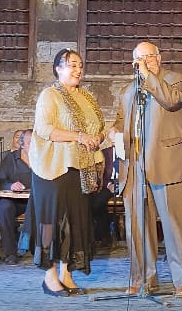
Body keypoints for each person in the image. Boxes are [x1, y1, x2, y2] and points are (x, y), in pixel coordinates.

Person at [110, 41, 182, 298]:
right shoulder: (127, 91)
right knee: (138, 226)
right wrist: (114, 131)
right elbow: (120, 120)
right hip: (135, 164)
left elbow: (171, 101)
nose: (145, 61)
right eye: (140, 58)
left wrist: (148, 76)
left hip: (169, 162)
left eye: (150, 56)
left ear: (159, 58)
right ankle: (143, 279)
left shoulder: (176, 80)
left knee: (175, 225)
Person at [29, 48, 110, 297]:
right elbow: (44, 129)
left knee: (75, 220)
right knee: (51, 221)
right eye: (72, 65)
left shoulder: (86, 97)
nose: (78, 70)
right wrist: (80, 136)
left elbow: (99, 127)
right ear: (58, 69)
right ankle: (49, 275)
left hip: (79, 167)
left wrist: (97, 137)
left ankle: (66, 273)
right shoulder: (50, 95)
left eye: (80, 65)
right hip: (53, 168)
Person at [0, 129, 33, 264]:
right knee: (4, 206)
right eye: (31, 143)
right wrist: (11, 186)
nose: (35, 146)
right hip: (15, 201)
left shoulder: (43, 159)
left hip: (35, 201)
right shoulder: (11, 159)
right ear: (22, 144)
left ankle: (44, 250)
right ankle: (11, 254)